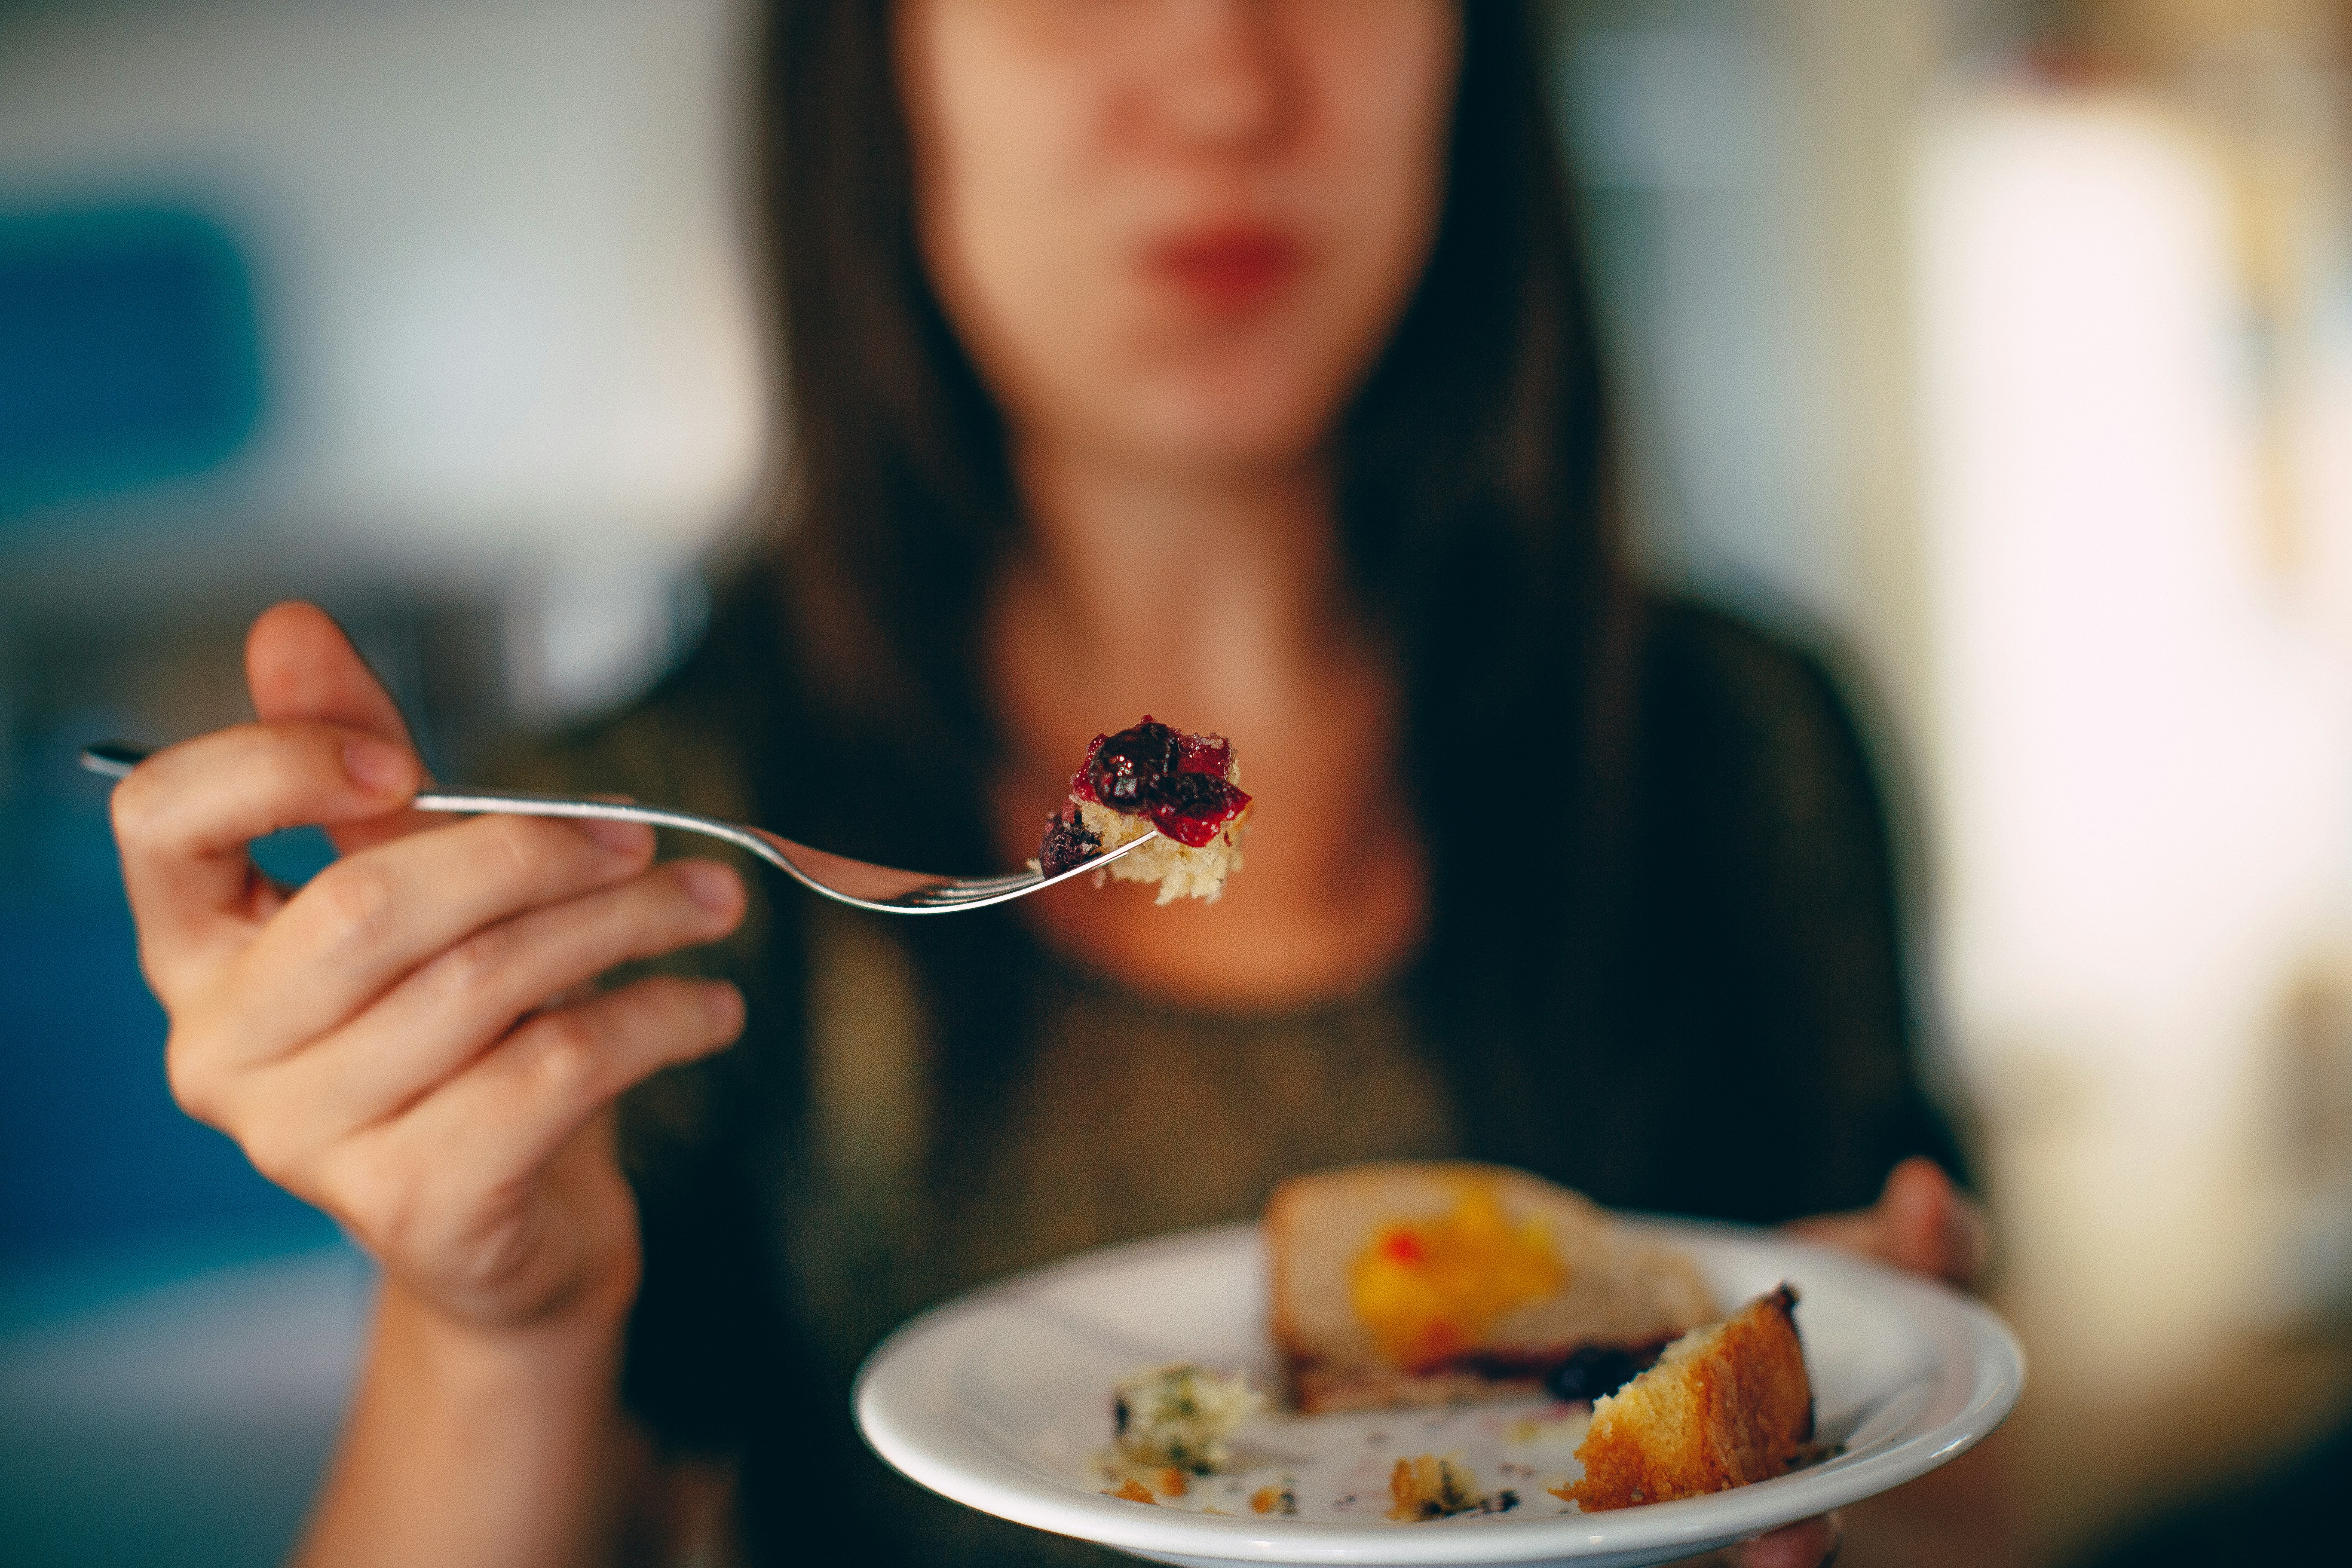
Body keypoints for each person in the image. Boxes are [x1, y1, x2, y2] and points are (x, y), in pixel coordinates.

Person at [104, 3, 2015, 1563]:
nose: (1221, 74)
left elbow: (1946, 1495)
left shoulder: (1743, 737)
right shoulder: (616, 857)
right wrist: (496, 1322)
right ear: (880, 62)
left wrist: (1852, 1464)